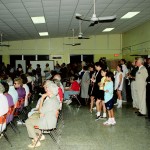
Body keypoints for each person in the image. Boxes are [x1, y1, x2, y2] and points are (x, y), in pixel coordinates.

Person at [25, 80, 60, 148]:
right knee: (32, 119)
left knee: (28, 122)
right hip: (51, 120)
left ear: (50, 91)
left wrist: (42, 99)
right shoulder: (55, 98)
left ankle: (36, 141)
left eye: (47, 89)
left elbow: (40, 111)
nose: (46, 90)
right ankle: (40, 135)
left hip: (47, 123)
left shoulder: (50, 101)